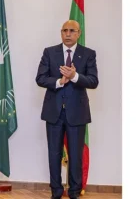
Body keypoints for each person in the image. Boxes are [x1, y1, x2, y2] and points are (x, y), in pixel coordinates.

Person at [35, 20, 98, 199]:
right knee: (53, 154)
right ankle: (55, 191)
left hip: (77, 113)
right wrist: (59, 81)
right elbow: (40, 78)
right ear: (61, 32)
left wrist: (75, 76)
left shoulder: (88, 54)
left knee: (76, 156)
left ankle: (74, 192)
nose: (68, 34)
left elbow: (93, 81)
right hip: (53, 112)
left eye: (72, 31)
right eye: (65, 30)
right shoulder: (49, 52)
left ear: (79, 33)